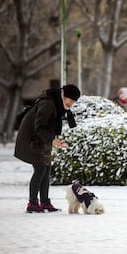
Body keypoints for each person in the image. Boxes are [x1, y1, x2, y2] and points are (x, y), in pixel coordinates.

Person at [14, 84, 81, 213]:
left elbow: (51, 124)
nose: (71, 104)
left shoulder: (58, 103)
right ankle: (32, 203)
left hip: (42, 139)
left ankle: (45, 202)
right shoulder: (48, 103)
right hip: (32, 139)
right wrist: (52, 140)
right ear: (63, 95)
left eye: (73, 102)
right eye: (70, 100)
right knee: (40, 169)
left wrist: (55, 140)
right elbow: (39, 126)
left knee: (46, 168)